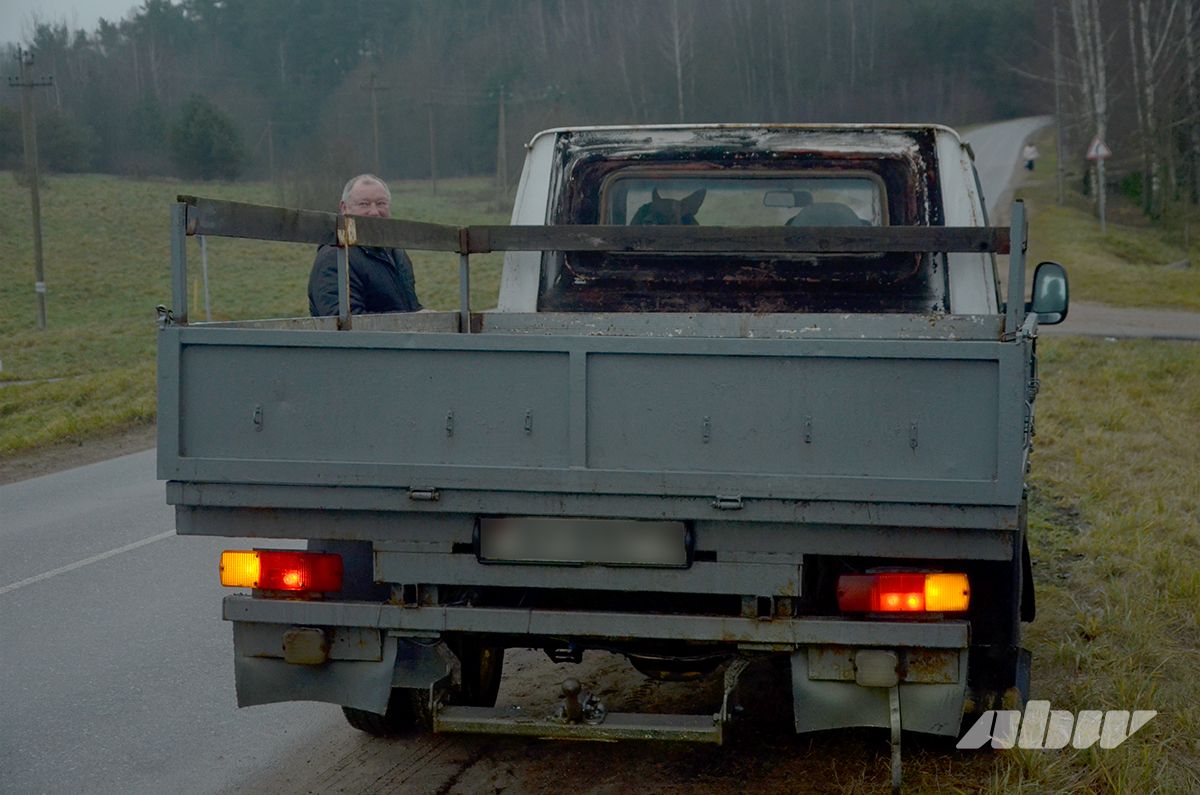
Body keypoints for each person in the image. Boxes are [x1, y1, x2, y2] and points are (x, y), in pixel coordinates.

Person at [307, 174, 422, 316]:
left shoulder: (396, 253)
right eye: (364, 204)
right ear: (344, 208)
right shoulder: (335, 258)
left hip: (399, 337)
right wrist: (411, 320)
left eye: (381, 203)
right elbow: (342, 323)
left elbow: (410, 307)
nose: (374, 212)